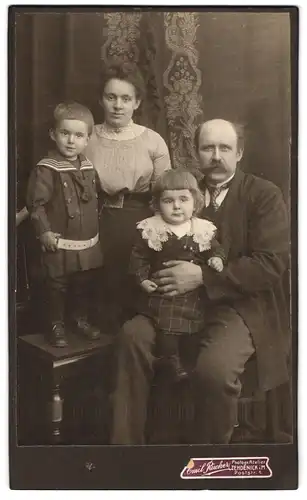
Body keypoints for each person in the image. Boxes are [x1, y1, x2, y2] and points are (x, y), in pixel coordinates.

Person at [110, 118, 290, 445]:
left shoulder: (264, 195)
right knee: (132, 337)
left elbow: (271, 264)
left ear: (240, 153)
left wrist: (203, 277)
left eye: (225, 148)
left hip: (237, 306)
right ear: (196, 152)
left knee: (215, 371)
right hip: (171, 303)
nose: (216, 156)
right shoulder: (181, 191)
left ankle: (208, 464)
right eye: (208, 148)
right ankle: (125, 454)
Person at [84, 62, 171, 331]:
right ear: (101, 99)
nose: (118, 105)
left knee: (133, 286)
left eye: (125, 99)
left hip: (139, 221)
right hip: (93, 220)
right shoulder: (86, 137)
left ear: (137, 102)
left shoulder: (153, 140)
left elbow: (164, 191)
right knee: (97, 289)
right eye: (111, 97)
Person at [129, 169, 225, 382]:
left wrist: (216, 259)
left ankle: (186, 364)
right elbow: (139, 258)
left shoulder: (201, 230)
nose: (176, 206)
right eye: (168, 201)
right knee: (166, 329)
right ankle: (168, 359)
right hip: (163, 294)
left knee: (194, 330)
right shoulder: (152, 229)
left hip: (192, 295)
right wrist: (142, 279)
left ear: (195, 202)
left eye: (183, 199)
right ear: (157, 204)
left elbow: (215, 249)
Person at [26, 102, 102, 348]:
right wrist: (44, 231)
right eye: (65, 133)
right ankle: (55, 324)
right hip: (59, 243)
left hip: (86, 242)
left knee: (83, 283)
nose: (71, 141)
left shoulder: (89, 168)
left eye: (79, 135)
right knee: (57, 286)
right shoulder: (47, 169)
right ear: (53, 134)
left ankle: (79, 319)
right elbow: (35, 205)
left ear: (88, 138)